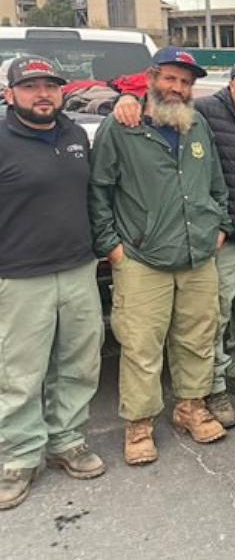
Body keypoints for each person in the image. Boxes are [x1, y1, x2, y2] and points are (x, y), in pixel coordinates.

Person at [113, 57, 235, 427]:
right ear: (232, 83)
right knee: (215, 318)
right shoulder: (206, 112)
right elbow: (151, 108)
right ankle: (216, 385)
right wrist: (124, 99)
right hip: (214, 242)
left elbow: (218, 180)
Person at [89, 47, 232, 465]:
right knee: (140, 346)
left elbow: (217, 182)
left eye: (186, 82)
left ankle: (191, 406)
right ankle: (139, 425)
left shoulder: (197, 124)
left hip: (198, 253)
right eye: (171, 78)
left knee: (199, 336)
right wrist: (111, 247)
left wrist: (220, 226)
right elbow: (99, 190)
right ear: (152, 77)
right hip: (140, 257)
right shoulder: (123, 127)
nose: (178, 88)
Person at [0, 57, 104, 510]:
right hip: (20, 275)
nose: (43, 94)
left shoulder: (75, 135)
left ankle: (67, 441)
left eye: (50, 85)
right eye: (30, 86)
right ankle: (20, 457)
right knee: (21, 373)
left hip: (79, 267)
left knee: (79, 362)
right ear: (9, 95)